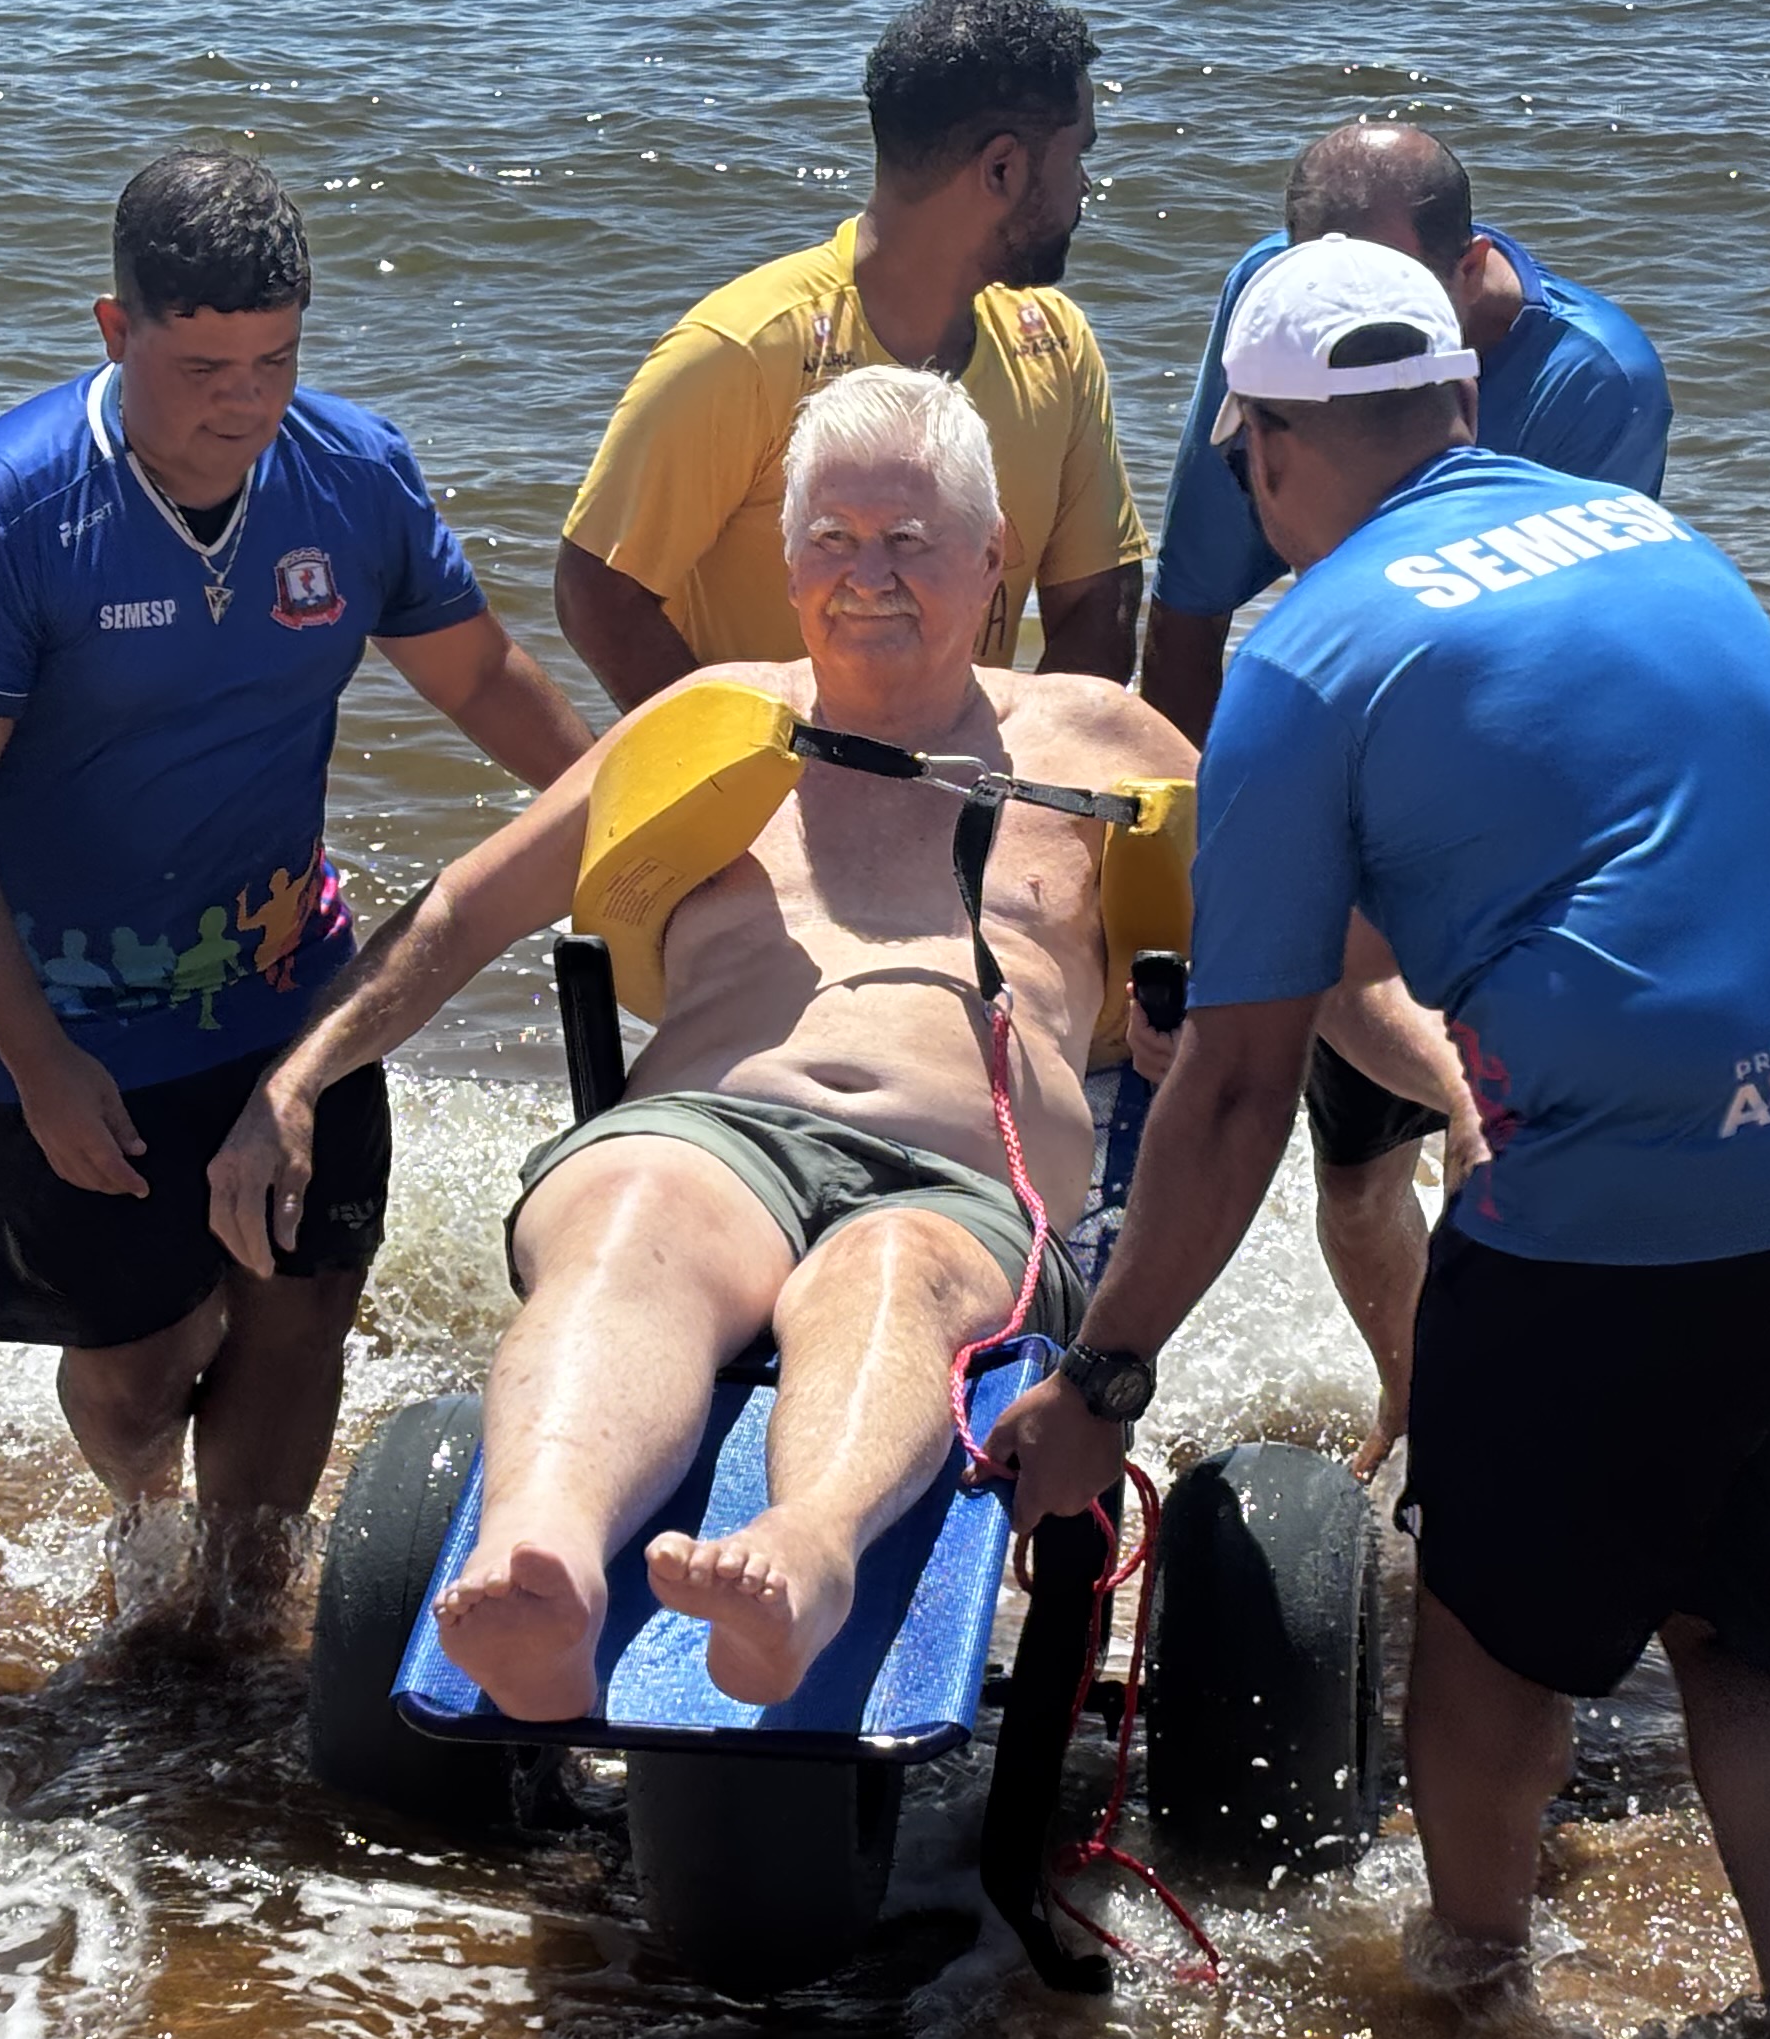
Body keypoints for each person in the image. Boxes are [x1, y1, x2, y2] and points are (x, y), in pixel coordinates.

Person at [989, 238, 1770, 2039]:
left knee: (1485, 1627)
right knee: (1754, 1626)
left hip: (1657, 1143)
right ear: (1457, 407)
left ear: (1271, 451)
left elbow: (1227, 1092)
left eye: (1240, 464)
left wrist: (1103, 1378)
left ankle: (1471, 2001)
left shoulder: (1306, 645)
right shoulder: (1635, 534)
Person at [212, 368, 1187, 1721]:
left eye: (909, 542)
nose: (870, 577)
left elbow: (1315, 954)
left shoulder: (1101, 740)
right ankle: (538, 1561)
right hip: (707, 1141)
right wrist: (300, 1075)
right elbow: (469, 904)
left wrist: (1398, 1079)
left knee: (890, 1271)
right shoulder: (712, 718)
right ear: (787, 565)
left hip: (958, 1183)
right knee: (627, 1215)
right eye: (833, 541)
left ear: (994, 557)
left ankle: (808, 1554)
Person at [0, 150, 593, 1629]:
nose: (244, 402)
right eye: (202, 364)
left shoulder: (352, 475)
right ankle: (145, 1514)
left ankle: (241, 1612)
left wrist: (641, 823)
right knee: (143, 1362)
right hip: (56, 1026)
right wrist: (42, 1061)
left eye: (275, 361)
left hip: (287, 987)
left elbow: (485, 678)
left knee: (298, 1305)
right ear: (111, 327)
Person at [1143, 124, 1679, 1458]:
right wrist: (1193, 900)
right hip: (1339, 745)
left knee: (1486, 1120)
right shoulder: (1275, 311)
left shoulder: (1596, 380)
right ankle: (1420, 1399)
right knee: (1352, 1179)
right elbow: (1191, 613)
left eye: (1386, 324)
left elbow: (1554, 682)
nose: (1349, 342)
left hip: (1515, 822)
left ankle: (1500, 1436)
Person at [551, 0, 1148, 715]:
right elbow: (598, 589)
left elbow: (1100, 598)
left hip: (959, 793)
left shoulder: (1056, 343)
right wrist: (740, 781)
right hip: (775, 805)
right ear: (1002, 168)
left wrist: (1018, 783)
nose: (1085, 186)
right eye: (1076, 153)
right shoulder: (745, 350)